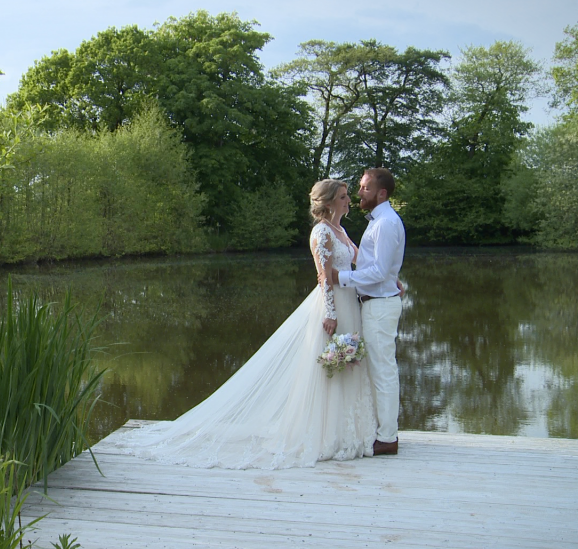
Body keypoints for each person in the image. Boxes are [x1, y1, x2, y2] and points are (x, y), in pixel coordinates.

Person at [112, 179, 376, 469]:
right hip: (334, 306)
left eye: (347, 195)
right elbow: (323, 276)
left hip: (350, 303)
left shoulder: (341, 230)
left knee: (348, 365)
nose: (348, 200)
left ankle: (346, 431)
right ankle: (326, 435)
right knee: (331, 367)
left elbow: (358, 263)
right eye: (342, 196)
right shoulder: (321, 232)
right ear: (327, 203)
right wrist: (330, 313)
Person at [333, 167, 405, 456]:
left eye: (364, 188)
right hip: (376, 303)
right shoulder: (379, 221)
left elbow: (377, 271)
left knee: (383, 371)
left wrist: (342, 278)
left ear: (381, 193)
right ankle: (382, 430)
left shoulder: (385, 223)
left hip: (380, 305)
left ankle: (388, 437)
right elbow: (376, 264)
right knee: (378, 369)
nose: (359, 193)